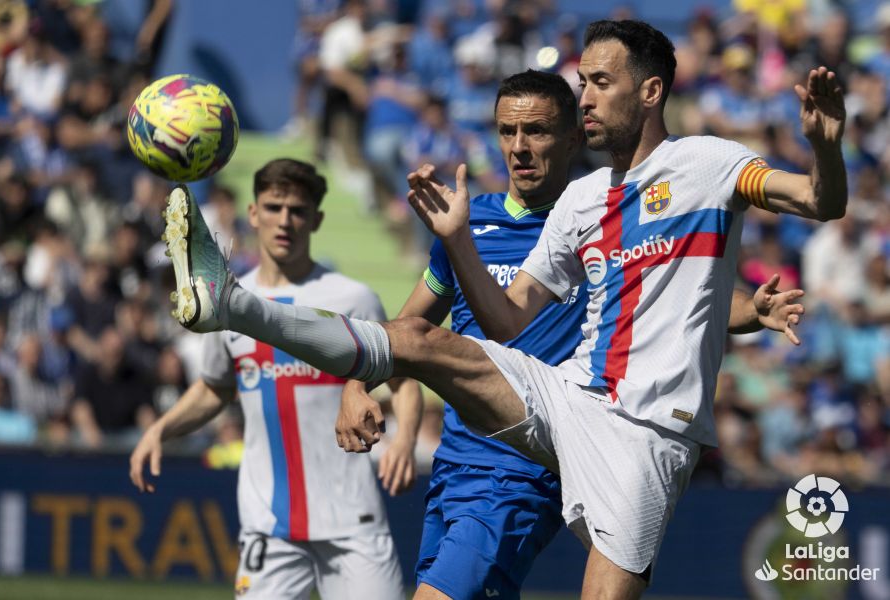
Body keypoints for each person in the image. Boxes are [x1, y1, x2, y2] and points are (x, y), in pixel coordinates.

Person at [162, 19, 843, 599]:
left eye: (601, 83)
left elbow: (819, 200)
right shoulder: (579, 205)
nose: (587, 99)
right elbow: (507, 323)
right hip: (569, 398)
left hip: (648, 432)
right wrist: (456, 240)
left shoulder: (708, 164)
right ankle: (236, 305)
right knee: (417, 340)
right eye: (583, 83)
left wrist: (824, 145)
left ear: (651, 90)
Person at [336, 69, 806, 600]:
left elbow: (671, 304)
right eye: (507, 132)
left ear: (574, 137)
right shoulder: (468, 226)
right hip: (454, 465)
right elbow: (413, 328)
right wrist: (357, 386)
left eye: (536, 131)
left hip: (525, 470)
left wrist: (748, 310)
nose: (519, 147)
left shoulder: (602, 220)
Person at [131, 158, 407, 600]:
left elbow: (404, 380)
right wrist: (161, 429)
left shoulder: (354, 299)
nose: (285, 220)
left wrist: (407, 440)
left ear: (315, 218)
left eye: (297, 210)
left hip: (353, 520)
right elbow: (215, 387)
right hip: (268, 527)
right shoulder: (229, 302)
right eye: (274, 207)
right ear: (253, 213)